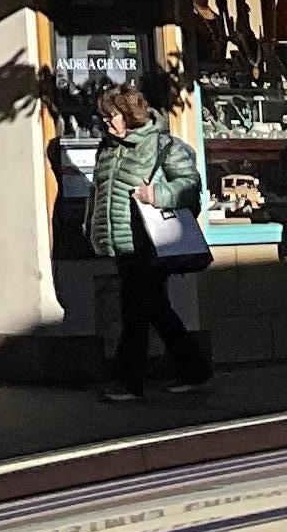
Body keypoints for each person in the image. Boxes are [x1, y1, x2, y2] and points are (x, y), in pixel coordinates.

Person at [88, 85, 214, 406]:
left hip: (150, 244)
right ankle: (193, 369)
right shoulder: (108, 147)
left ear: (130, 115)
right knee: (155, 309)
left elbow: (190, 187)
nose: (106, 122)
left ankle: (129, 381)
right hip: (121, 243)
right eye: (103, 116)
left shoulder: (162, 145)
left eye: (112, 115)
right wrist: (91, 225)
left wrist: (155, 195)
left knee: (135, 312)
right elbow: (98, 192)